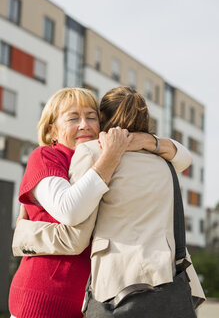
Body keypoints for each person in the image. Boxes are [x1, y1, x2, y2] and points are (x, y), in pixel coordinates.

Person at [11, 87, 204, 317]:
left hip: (95, 300)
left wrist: (144, 140)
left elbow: (183, 158)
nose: (84, 124)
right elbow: (71, 216)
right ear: (52, 128)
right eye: (73, 118)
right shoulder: (47, 157)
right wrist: (110, 155)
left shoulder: (100, 155)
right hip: (46, 295)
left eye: (92, 117)